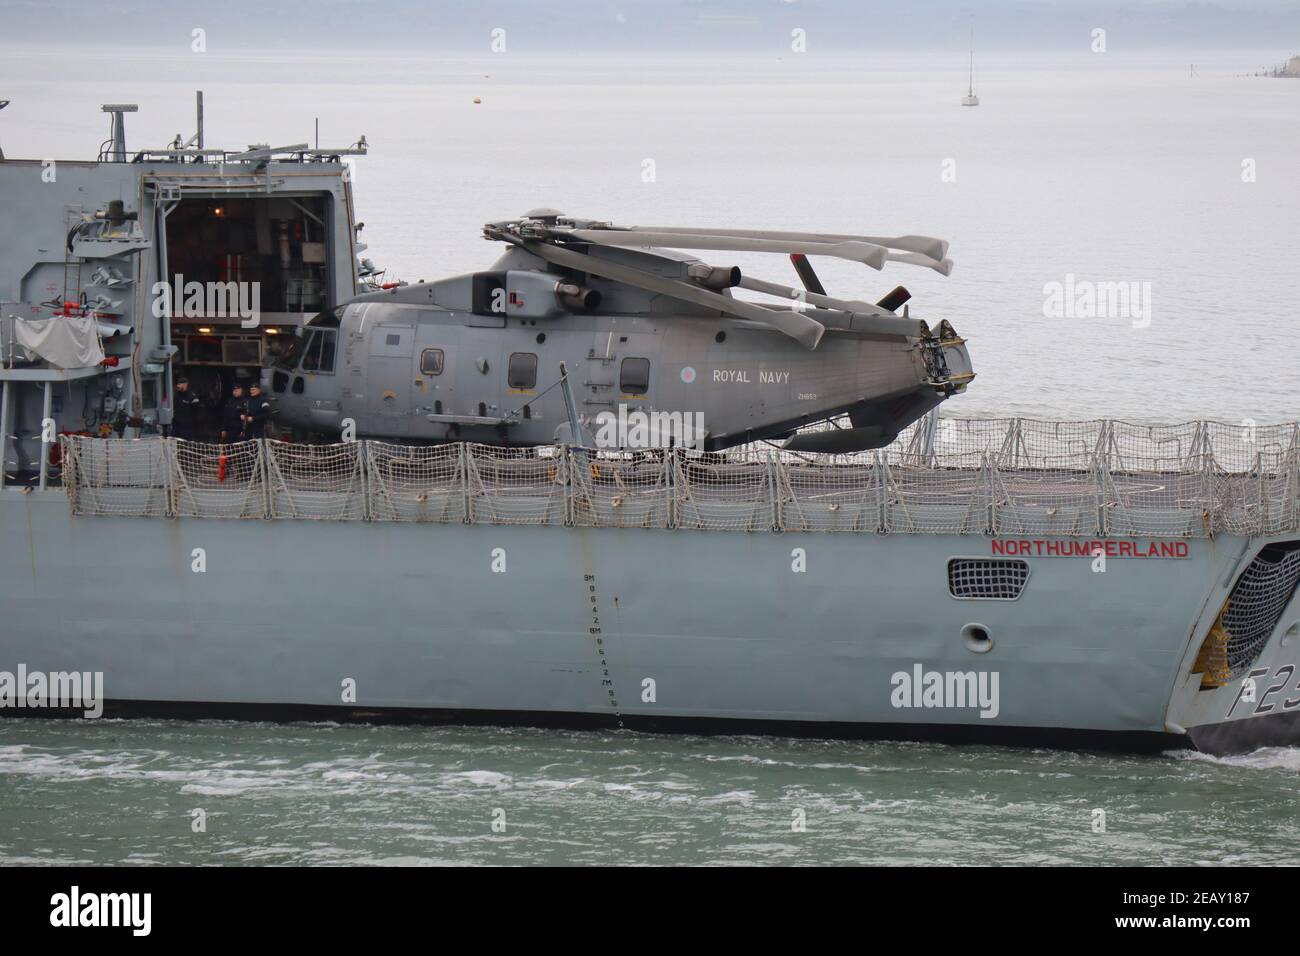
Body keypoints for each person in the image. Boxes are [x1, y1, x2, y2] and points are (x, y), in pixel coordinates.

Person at [171, 376, 201, 440]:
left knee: (188, 447)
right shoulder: (176, 395)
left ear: (185, 384)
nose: (178, 386)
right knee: (180, 446)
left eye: (180, 384)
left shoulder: (192, 397)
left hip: (189, 428)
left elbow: (197, 413)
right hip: (178, 427)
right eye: (177, 384)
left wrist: (194, 426)